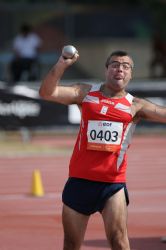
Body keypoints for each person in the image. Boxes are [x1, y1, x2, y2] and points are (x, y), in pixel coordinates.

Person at [39, 49, 166, 250]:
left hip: (112, 185)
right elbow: (47, 93)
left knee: (119, 241)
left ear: (131, 74)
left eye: (126, 67)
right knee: (71, 244)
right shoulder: (85, 93)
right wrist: (62, 64)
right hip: (80, 181)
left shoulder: (135, 106)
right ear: (107, 70)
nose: (120, 69)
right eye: (115, 65)